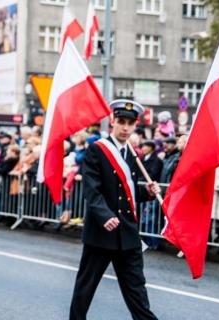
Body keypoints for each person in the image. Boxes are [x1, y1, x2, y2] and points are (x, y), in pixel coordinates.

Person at [69, 99, 160, 320]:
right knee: (85, 288)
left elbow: (127, 195)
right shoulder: (97, 150)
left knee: (137, 291)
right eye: (121, 121)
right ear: (112, 121)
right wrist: (105, 215)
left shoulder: (132, 154)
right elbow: (92, 189)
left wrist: (147, 191)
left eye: (130, 123)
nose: (125, 127)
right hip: (102, 233)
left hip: (127, 234)